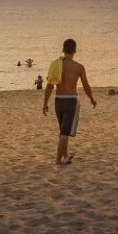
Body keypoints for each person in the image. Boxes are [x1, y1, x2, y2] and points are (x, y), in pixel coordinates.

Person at [42, 38, 97, 166]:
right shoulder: (79, 67)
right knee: (64, 132)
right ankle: (58, 161)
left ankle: (65, 155)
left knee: (63, 130)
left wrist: (45, 103)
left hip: (58, 101)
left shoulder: (55, 65)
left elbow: (49, 85)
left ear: (63, 49)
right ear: (75, 50)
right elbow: (86, 86)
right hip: (71, 101)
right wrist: (92, 99)